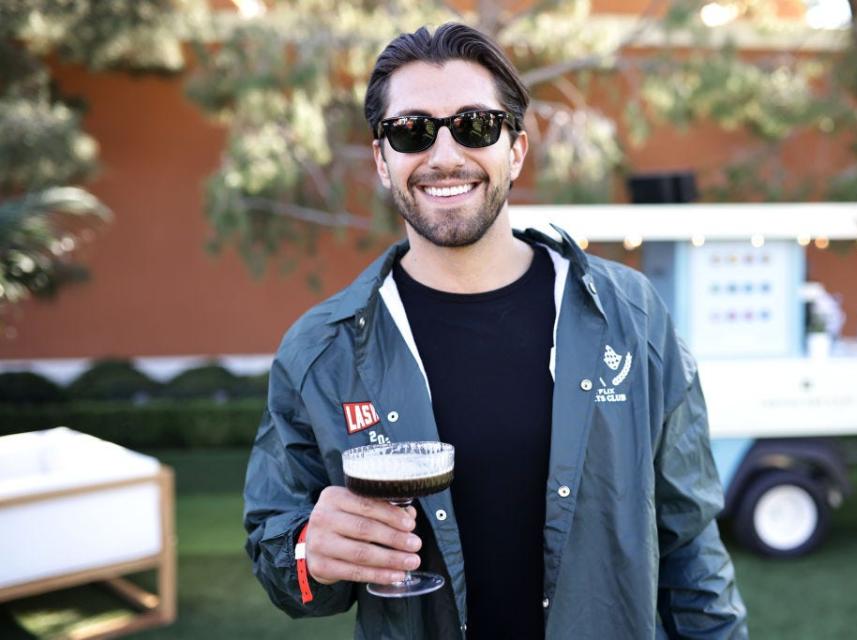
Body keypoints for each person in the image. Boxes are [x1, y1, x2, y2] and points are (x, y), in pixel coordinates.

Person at [243, 23, 748, 639]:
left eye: (475, 125)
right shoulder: (321, 350)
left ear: (515, 149)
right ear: (382, 159)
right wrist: (308, 553)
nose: (445, 155)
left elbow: (689, 535)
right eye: (412, 130)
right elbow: (279, 555)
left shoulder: (629, 313)